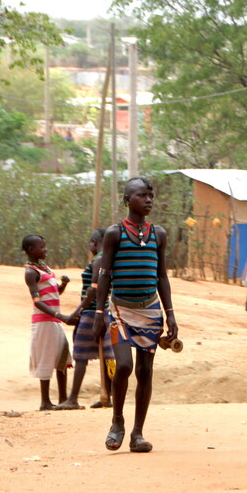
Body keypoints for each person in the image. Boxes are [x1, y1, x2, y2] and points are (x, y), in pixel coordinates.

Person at [92, 177, 179, 452]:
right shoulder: (114, 233)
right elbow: (105, 274)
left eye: (151, 196)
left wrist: (171, 314)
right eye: (142, 195)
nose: (149, 200)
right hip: (119, 311)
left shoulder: (159, 234)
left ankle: (137, 433)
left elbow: (161, 276)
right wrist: (98, 312)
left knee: (145, 371)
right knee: (125, 366)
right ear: (128, 200)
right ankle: (117, 421)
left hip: (150, 311)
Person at [57, 228, 115, 410]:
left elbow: (93, 290)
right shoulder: (108, 259)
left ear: (95, 242)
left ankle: (73, 398)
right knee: (107, 356)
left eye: (90, 242)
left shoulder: (98, 260)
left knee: (81, 355)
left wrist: (77, 312)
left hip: (92, 313)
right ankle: (107, 397)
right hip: (105, 311)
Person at [22, 234, 73, 410]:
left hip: (53, 319)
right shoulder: (30, 272)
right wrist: (60, 316)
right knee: (46, 357)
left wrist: (63, 286)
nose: (45, 250)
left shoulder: (44, 268)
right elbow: (37, 301)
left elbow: (52, 293)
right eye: (42, 247)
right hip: (44, 321)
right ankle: (45, 401)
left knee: (62, 355)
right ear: (31, 250)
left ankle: (64, 398)